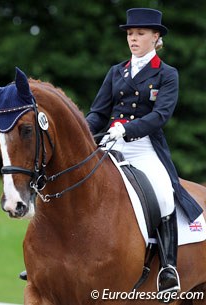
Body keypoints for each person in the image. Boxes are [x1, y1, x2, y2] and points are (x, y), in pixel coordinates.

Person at [86, 8, 203, 297]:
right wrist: (83, 134)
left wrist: (128, 129)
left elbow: (161, 115)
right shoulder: (116, 71)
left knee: (164, 194)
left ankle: (168, 269)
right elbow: (98, 113)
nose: (133, 39)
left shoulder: (166, 74)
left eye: (139, 34)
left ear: (155, 37)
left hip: (143, 146)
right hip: (109, 143)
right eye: (130, 34)